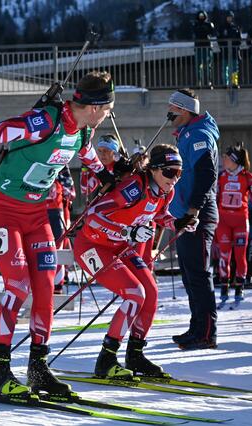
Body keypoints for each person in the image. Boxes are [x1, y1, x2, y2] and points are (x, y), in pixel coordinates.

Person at [0, 71, 116, 396]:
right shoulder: (44, 122)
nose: (108, 115)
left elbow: (86, 152)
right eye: (107, 109)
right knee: (18, 284)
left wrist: (105, 174)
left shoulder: (83, 131)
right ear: (94, 107)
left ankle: (38, 368)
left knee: (46, 287)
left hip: (37, 215)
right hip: (4, 212)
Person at [73, 144, 189, 378]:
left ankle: (135, 354)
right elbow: (93, 216)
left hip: (119, 247)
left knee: (151, 292)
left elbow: (157, 214)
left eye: (179, 173)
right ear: (154, 169)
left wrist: (176, 223)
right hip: (92, 246)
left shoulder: (165, 191)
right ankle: (106, 359)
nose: (174, 178)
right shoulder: (134, 187)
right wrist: (128, 232)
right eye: (169, 172)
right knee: (135, 293)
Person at [167, 89, 220, 350]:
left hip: (196, 213)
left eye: (173, 108)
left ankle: (207, 332)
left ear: (185, 110)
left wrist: (193, 209)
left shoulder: (199, 134)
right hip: (184, 213)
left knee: (198, 274)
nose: (169, 113)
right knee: (189, 276)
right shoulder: (187, 133)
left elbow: (207, 173)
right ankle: (196, 326)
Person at [215, 144, 252, 307]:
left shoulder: (247, 176)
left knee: (240, 255)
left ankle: (240, 286)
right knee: (224, 255)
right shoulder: (221, 176)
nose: (223, 160)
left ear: (234, 160)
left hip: (241, 221)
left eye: (226, 157)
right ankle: (224, 286)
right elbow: (215, 196)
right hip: (224, 221)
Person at [46, 167, 75, 294]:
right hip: (38, 210)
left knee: (59, 246)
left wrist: (63, 189)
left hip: (57, 211)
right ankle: (44, 282)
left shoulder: (61, 166)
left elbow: (72, 193)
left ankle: (58, 283)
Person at [217, 11, 242, 88]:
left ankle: (234, 83)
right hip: (225, 51)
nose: (229, 18)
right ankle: (225, 83)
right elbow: (219, 39)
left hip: (234, 51)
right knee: (225, 68)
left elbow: (239, 39)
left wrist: (237, 47)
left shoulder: (235, 27)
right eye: (228, 17)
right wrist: (222, 47)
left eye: (230, 17)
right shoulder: (221, 28)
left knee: (235, 68)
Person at [193, 11, 215, 89]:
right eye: (200, 16)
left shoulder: (208, 24)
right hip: (198, 47)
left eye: (203, 16)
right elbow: (197, 32)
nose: (201, 17)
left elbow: (211, 32)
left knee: (207, 66)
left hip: (207, 47)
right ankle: (198, 83)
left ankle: (208, 82)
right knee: (198, 66)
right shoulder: (196, 25)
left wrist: (206, 29)